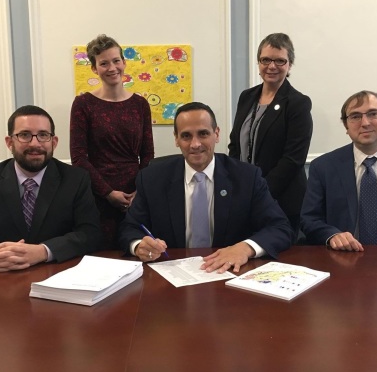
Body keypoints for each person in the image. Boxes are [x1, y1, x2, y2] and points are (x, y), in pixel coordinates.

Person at [118, 102, 293, 273]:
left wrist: (245, 248)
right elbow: (130, 228)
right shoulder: (152, 178)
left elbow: (280, 227)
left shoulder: (247, 177)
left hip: (228, 273)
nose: (195, 144)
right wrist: (138, 245)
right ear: (176, 139)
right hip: (172, 276)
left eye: (203, 134)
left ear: (216, 134)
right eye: (186, 136)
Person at [0, 105, 102, 271]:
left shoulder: (76, 179)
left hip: (56, 274)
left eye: (43, 135)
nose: (35, 143)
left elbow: (90, 234)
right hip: (0, 276)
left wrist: (43, 251)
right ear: (9, 142)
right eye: (24, 135)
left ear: (54, 142)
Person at [70, 34, 154, 249]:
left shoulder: (140, 104)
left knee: (138, 249)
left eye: (116, 60)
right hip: (98, 195)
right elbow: (79, 157)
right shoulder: (83, 104)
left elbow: (147, 154)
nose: (112, 67)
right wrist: (108, 193)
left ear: (124, 63)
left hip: (136, 194)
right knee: (101, 254)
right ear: (94, 69)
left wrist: (140, 190)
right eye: (104, 63)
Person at [228, 33, 312, 242]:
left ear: (289, 65)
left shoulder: (298, 103)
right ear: (259, 62)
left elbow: (293, 159)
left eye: (279, 60)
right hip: (245, 197)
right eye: (266, 60)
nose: (271, 66)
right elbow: (235, 144)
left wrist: (260, 193)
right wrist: (236, 183)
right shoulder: (246, 97)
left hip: (282, 200)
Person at [301, 90, 377, 251]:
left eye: (373, 114)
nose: (365, 123)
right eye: (355, 116)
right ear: (346, 126)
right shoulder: (323, 167)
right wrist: (332, 235)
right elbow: (309, 219)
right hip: (346, 256)